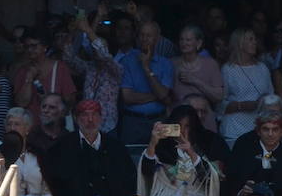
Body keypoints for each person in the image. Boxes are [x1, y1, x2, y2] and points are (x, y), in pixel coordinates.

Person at [61, 8, 123, 140]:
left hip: (107, 126)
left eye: (97, 47)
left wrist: (88, 29)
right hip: (85, 124)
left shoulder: (115, 69)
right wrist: (73, 31)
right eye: (93, 49)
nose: (96, 51)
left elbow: (103, 52)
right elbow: (68, 58)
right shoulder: (89, 67)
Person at [117, 20, 175, 148]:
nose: (144, 39)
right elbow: (127, 97)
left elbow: (165, 96)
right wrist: (157, 96)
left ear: (157, 38)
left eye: (149, 36)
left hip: (159, 121)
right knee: (131, 161)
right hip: (132, 122)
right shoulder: (126, 61)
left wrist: (146, 67)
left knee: (162, 161)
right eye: (142, 35)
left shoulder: (166, 64)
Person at [220, 28, 274, 149]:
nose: (255, 42)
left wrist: (266, 100)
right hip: (235, 130)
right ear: (239, 43)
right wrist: (243, 105)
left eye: (255, 39)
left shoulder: (263, 68)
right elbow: (220, 104)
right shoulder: (228, 69)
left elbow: (272, 95)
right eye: (250, 39)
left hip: (260, 129)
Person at [11, 30, 75, 111]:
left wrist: (51, 99)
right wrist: (29, 80)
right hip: (30, 122)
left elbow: (70, 101)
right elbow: (21, 104)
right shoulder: (22, 71)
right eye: (27, 46)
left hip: (55, 122)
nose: (30, 50)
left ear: (45, 47)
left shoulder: (60, 68)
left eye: (34, 46)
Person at [171, 25, 223, 114]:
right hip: (179, 118)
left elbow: (218, 96)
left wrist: (194, 80)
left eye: (188, 40)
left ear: (198, 43)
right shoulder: (171, 63)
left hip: (204, 117)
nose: (184, 43)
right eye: (181, 39)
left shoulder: (210, 64)